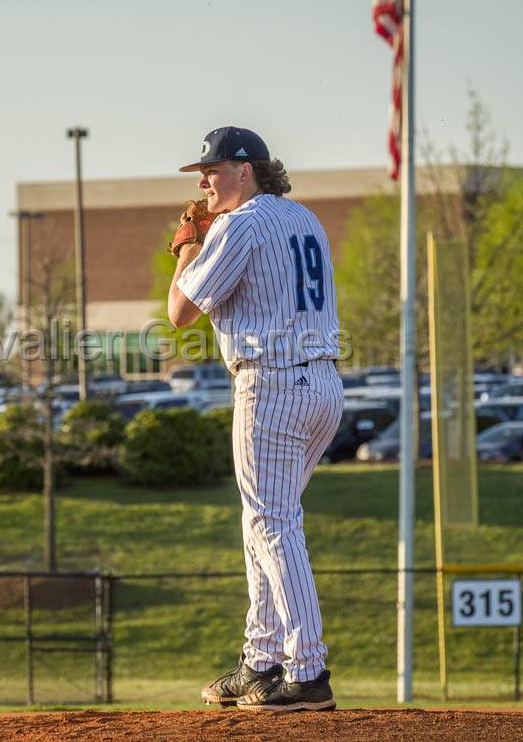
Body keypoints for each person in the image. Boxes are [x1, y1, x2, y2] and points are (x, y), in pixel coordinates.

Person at [167, 126, 344, 712]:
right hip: (322, 385)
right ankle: (261, 659)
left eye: (214, 170)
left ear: (247, 171)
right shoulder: (305, 219)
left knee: (273, 525)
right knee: (264, 522)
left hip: (271, 383)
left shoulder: (239, 223)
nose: (205, 181)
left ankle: (307, 669)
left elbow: (181, 313)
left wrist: (188, 243)